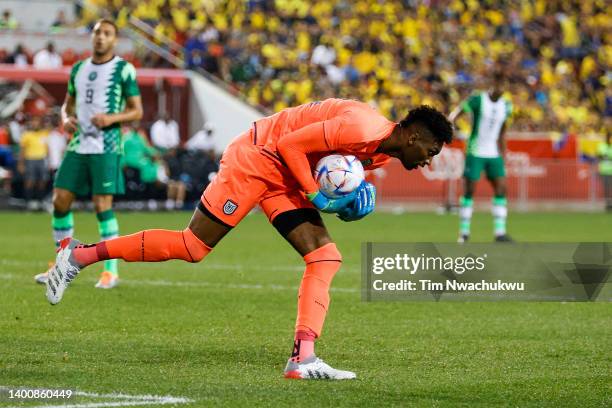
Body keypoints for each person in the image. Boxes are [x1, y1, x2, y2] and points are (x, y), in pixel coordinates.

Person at [44, 98, 452, 379]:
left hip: (286, 172)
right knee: (193, 247)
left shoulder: (380, 153)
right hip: (259, 157)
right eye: (431, 150)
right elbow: (291, 144)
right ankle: (78, 255)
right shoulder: (362, 126)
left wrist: (344, 206)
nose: (430, 160)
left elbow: (322, 170)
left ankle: (302, 359)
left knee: (325, 257)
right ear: (414, 136)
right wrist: (317, 195)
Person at [34, 19, 143, 288]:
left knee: (102, 205)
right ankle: (61, 265)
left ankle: (110, 270)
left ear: (114, 40)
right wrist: (65, 118)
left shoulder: (123, 69)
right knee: (60, 200)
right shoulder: (79, 69)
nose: (101, 38)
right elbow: (67, 105)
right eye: (97, 33)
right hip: (78, 144)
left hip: (106, 147)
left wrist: (112, 118)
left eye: (107, 34)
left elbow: (137, 111)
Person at [449, 72, 513, 243]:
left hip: (494, 153)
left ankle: (500, 233)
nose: (501, 89)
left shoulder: (506, 106)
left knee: (501, 189)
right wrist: (452, 125)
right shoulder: (478, 99)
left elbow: (502, 131)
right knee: (469, 191)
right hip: (475, 151)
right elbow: (457, 112)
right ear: (492, 84)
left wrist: (503, 153)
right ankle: (464, 233)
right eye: (498, 84)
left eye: (503, 86)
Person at [18, 115, 49, 210]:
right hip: (30, 159)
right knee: (30, 181)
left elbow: (48, 148)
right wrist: (21, 163)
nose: (35, 124)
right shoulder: (26, 135)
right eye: (33, 122)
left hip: (42, 159)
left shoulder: (45, 134)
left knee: (42, 181)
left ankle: (40, 202)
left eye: (37, 122)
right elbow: (22, 151)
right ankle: (28, 203)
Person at [598, 133, 612, 211]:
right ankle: (608, 204)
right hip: (604, 171)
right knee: (606, 189)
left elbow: (605, 156)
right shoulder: (602, 146)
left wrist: (606, 156)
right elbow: (599, 156)